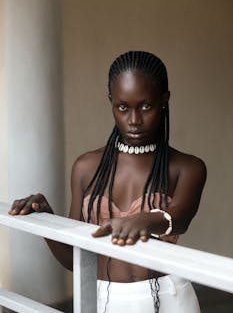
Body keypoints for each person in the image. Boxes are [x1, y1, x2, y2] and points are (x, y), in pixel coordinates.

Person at [9, 51, 206, 313]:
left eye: (145, 106)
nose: (134, 121)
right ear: (111, 102)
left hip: (168, 298)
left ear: (164, 100)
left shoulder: (187, 167)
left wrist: (145, 221)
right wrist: (46, 220)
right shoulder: (86, 168)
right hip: (101, 300)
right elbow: (75, 259)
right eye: (123, 107)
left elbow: (180, 218)